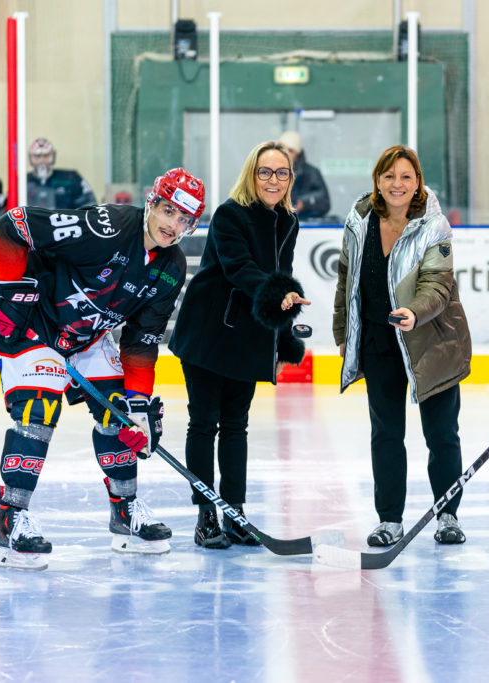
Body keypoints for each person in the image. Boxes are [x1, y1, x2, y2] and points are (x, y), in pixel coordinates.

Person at [0, 167, 206, 570]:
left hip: (87, 337)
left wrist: (138, 406)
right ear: (152, 202)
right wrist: (10, 292)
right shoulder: (105, 227)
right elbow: (13, 225)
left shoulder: (172, 266)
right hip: (32, 326)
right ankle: (10, 521)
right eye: (169, 212)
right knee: (39, 413)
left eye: (184, 220)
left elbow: (142, 339)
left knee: (119, 413)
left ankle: (124, 514)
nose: (174, 226)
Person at [168, 141, 310, 549]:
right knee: (204, 422)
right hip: (209, 333)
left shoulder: (288, 221)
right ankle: (206, 515)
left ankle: (234, 512)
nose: (273, 180)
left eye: (281, 172)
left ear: (290, 178)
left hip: (247, 335)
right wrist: (276, 292)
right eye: (265, 172)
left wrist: (284, 343)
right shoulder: (230, 214)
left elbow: (282, 275)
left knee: (236, 426)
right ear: (252, 174)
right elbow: (239, 269)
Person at [333, 144, 472, 548]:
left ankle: (447, 514)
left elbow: (439, 285)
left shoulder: (434, 226)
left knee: (442, 433)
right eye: (389, 175)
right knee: (386, 434)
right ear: (377, 180)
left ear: (418, 183)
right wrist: (344, 333)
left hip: (432, 340)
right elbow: (346, 282)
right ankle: (389, 520)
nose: (397, 184)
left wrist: (414, 311)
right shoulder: (358, 222)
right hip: (379, 342)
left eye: (406, 176)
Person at [26, 137, 97, 210]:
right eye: (37, 156)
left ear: (53, 156)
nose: (42, 160)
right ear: (30, 158)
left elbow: (89, 205)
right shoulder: (23, 182)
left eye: (46, 156)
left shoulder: (71, 178)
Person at [279, 130, 331, 220]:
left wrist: (304, 202)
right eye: (283, 150)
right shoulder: (271, 172)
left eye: (290, 150)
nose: (286, 153)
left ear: (297, 153)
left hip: (304, 224)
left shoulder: (311, 172)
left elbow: (324, 200)